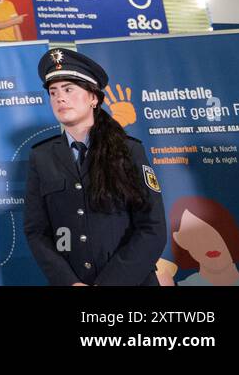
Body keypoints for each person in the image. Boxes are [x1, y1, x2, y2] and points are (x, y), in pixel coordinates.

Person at [24, 47, 166, 285]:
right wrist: (67, 281)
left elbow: (152, 228)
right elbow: (37, 231)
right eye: (53, 92)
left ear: (94, 97)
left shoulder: (128, 150)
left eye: (69, 89)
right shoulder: (41, 156)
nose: (60, 98)